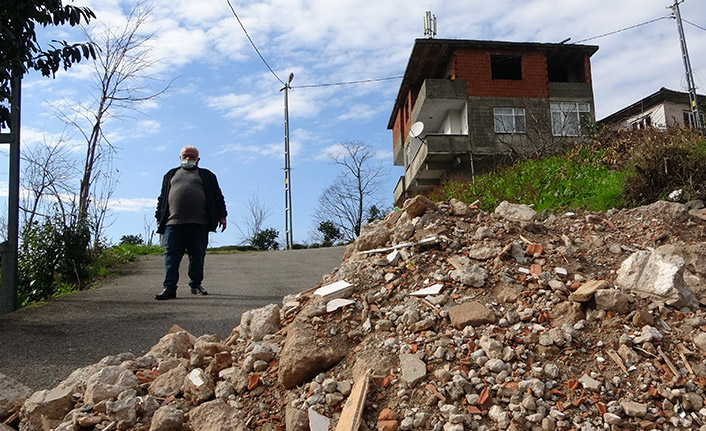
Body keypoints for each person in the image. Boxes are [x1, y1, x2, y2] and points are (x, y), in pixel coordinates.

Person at [154, 145, 227, 300]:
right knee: (171, 256)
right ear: (180, 157)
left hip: (199, 223)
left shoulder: (207, 175)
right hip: (172, 223)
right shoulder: (170, 175)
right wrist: (158, 219)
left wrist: (222, 216)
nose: (188, 159)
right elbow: (162, 198)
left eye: (192, 156)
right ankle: (169, 288)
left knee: (197, 255)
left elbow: (218, 196)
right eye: (185, 156)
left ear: (198, 159)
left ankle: (195, 284)